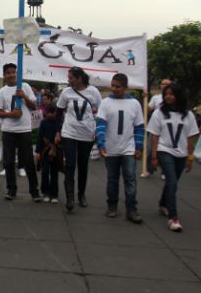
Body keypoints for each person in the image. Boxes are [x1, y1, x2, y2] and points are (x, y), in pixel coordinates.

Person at [148, 83, 200, 232]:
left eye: (172, 94)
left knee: (173, 182)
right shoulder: (159, 113)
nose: (169, 97)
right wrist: (154, 156)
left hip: (181, 153)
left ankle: (163, 203)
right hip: (165, 150)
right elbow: (155, 136)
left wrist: (190, 156)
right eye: (166, 94)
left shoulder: (188, 115)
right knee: (172, 182)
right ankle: (173, 217)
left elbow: (190, 136)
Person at [95, 73, 145, 222]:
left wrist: (139, 146)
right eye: (113, 85)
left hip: (128, 147)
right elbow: (100, 124)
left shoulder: (135, 104)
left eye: (118, 86)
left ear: (125, 87)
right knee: (112, 179)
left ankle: (132, 209)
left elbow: (139, 127)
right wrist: (101, 143)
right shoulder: (105, 102)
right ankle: (112, 205)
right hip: (111, 147)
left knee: (130, 178)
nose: (114, 89)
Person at [55, 66, 102, 212]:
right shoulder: (66, 92)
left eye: (71, 78)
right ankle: (70, 197)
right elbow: (58, 112)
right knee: (69, 164)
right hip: (69, 132)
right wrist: (58, 131)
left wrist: (98, 131)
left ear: (79, 78)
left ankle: (81, 194)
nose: (68, 80)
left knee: (83, 166)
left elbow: (101, 112)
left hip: (87, 133)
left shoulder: (93, 92)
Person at [0, 63, 41, 202]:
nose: (11, 75)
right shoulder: (2, 91)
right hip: (8, 131)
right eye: (8, 72)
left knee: (28, 161)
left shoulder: (25, 87)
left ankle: (34, 191)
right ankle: (11, 189)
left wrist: (24, 96)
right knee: (8, 162)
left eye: (13, 72)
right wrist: (11, 114)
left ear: (17, 73)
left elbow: (34, 107)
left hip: (24, 130)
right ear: (4, 75)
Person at [142, 78, 171, 178]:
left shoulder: (173, 98)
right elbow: (148, 110)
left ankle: (164, 172)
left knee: (165, 150)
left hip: (167, 128)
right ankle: (149, 169)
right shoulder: (156, 98)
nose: (164, 85)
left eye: (167, 84)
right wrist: (145, 98)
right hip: (154, 127)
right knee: (150, 150)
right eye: (163, 84)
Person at [35, 104, 62, 203]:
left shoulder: (59, 124)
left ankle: (54, 194)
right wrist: (38, 152)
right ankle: (45, 192)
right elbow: (39, 137)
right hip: (44, 151)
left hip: (56, 151)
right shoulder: (43, 123)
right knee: (45, 172)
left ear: (56, 113)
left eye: (52, 112)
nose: (50, 115)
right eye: (48, 113)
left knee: (54, 173)